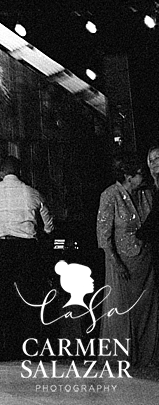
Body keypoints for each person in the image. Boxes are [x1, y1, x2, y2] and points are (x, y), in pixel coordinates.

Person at [0, 155, 53, 362]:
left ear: (1, 173)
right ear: (19, 172)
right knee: (30, 298)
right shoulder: (32, 193)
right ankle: (31, 349)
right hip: (26, 249)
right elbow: (48, 225)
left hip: (0, 248)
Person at [96, 152, 158, 368]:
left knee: (146, 309)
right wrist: (116, 263)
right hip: (121, 263)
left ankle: (146, 354)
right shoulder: (110, 195)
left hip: (145, 262)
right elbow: (104, 236)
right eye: (140, 174)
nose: (144, 178)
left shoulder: (147, 194)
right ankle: (120, 356)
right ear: (128, 176)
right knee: (122, 309)